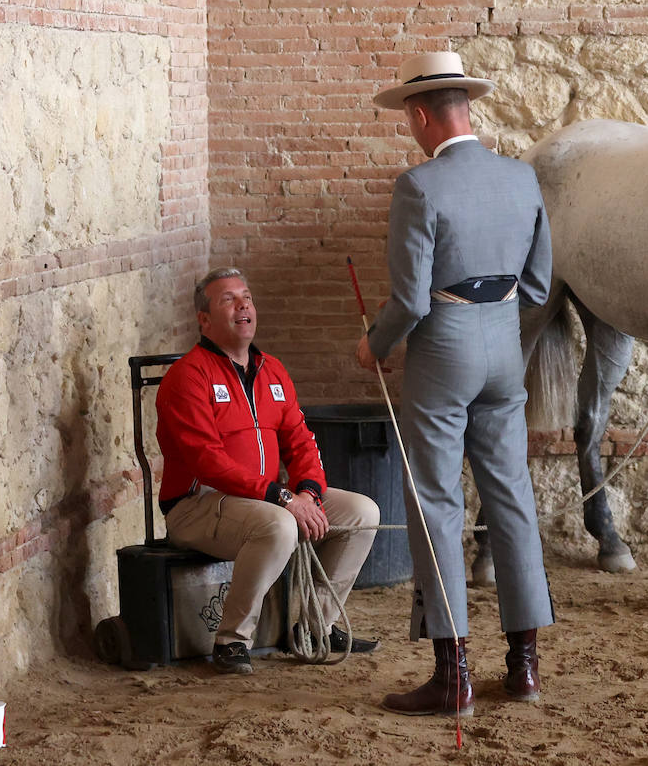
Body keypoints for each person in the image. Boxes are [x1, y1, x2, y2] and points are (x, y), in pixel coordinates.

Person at [358, 51, 554, 716]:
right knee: (511, 498)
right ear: (465, 108)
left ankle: (453, 676)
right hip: (505, 345)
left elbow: (409, 302)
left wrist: (374, 344)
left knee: (436, 500)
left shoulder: (418, 187)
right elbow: (539, 285)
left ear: (419, 116)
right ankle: (524, 666)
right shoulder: (521, 178)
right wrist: (497, 321)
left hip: (443, 347)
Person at [157, 267, 381, 674]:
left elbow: (301, 440)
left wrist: (309, 493)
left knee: (362, 512)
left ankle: (315, 627)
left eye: (247, 297)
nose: (243, 305)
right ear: (204, 320)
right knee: (280, 525)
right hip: (198, 506)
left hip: (265, 499)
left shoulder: (272, 370)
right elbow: (207, 461)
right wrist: (283, 498)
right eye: (228, 299)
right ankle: (231, 640)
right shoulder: (186, 377)